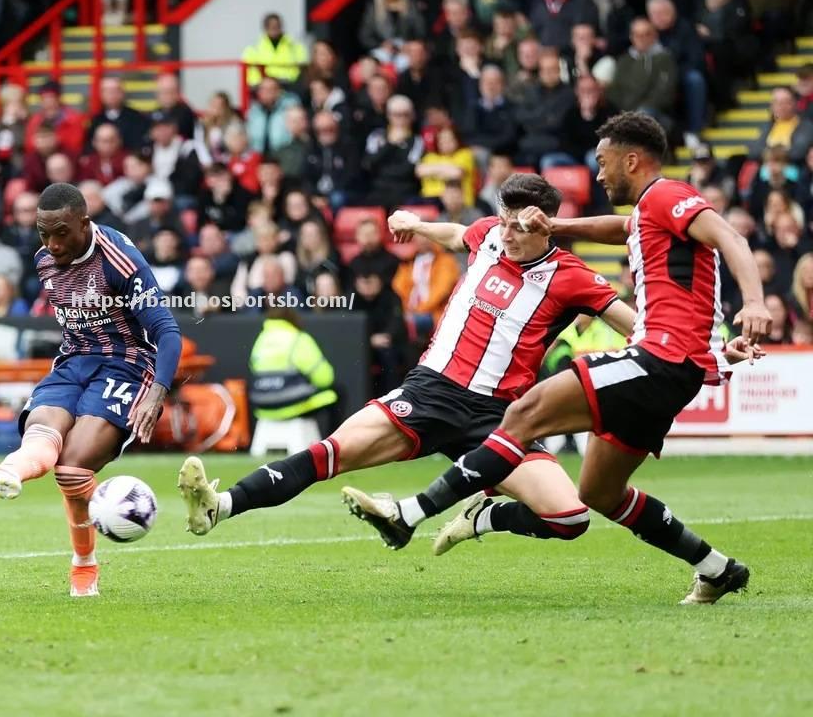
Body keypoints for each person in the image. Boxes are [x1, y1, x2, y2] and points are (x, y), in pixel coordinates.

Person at [350, 113, 770, 605]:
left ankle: (410, 513)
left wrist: (757, 302)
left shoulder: (666, 195)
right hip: (675, 367)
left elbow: (731, 238)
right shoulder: (649, 216)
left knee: (522, 414)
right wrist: (558, 224)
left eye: (603, 162)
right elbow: (622, 229)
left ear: (630, 159)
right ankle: (715, 568)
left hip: (656, 360)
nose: (597, 174)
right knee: (599, 494)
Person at [177, 174, 642, 547]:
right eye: (503, 222)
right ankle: (220, 504)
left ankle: (484, 517)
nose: (507, 234)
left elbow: (632, 324)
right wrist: (418, 227)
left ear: (546, 225)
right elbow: (458, 232)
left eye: (519, 227)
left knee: (570, 518)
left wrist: (680, 350)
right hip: (432, 391)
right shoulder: (488, 237)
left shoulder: (572, 277)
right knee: (329, 454)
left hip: (501, 418)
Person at [0, 183, 180, 598]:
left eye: (61, 233)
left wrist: (157, 393)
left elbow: (167, 331)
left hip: (125, 366)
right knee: (41, 427)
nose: (51, 244)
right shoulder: (44, 261)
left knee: (71, 469)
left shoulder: (120, 260)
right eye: (43, 234)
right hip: (73, 361)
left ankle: (83, 564)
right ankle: (7, 474)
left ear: (84, 224)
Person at [248, 308, 338, 435]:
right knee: (335, 394)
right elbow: (325, 378)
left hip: (262, 405)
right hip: (290, 405)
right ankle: (333, 446)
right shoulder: (298, 338)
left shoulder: (260, 339)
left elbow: (253, 369)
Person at [242, 13, 307, 87]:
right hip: (264, 88)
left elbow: (302, 66)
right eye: (271, 26)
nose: (274, 28)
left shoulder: (294, 46)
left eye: (277, 26)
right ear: (265, 28)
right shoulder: (254, 48)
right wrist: (259, 85)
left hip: (289, 85)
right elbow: (250, 72)